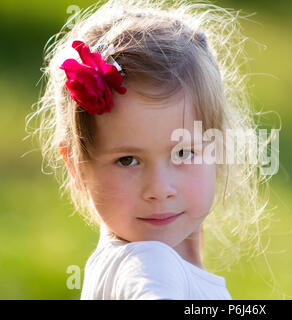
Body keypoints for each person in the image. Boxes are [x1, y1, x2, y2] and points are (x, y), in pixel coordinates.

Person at [28, 0, 275, 300]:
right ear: (77, 168)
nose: (159, 189)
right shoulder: (151, 264)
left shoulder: (119, 261)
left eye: (183, 153)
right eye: (128, 160)